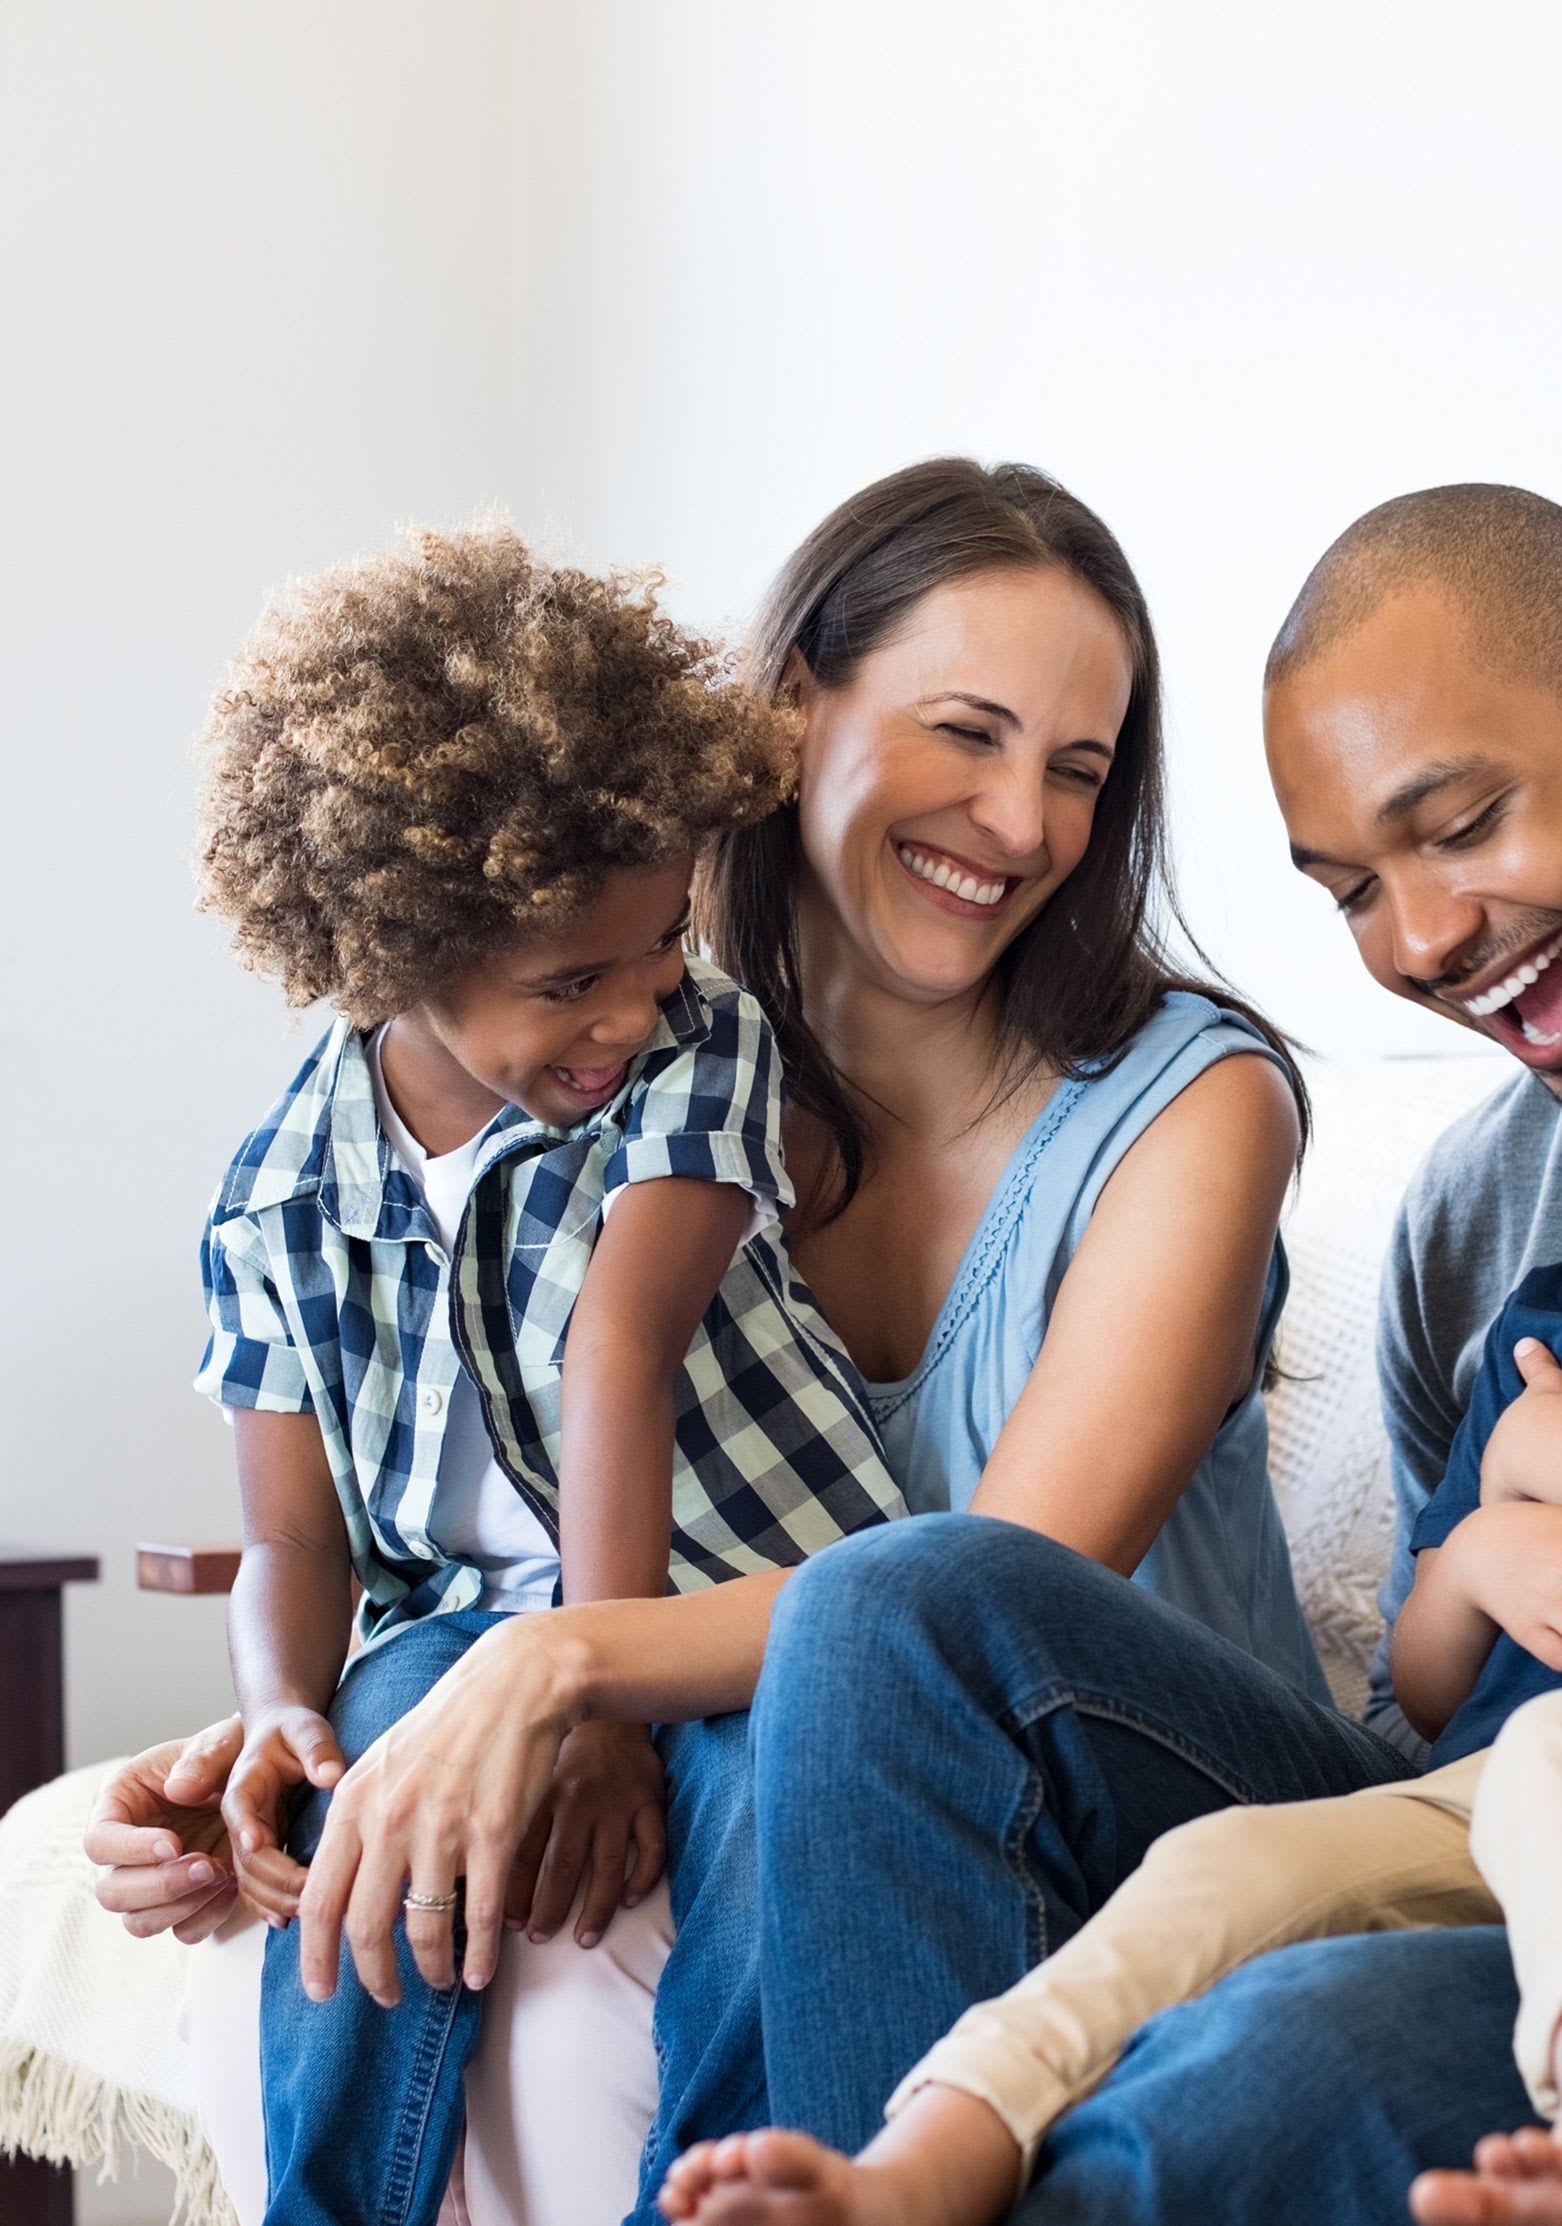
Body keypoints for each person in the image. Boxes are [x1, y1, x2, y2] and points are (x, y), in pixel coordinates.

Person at [610, 486, 1562, 2221]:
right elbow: (1436, 1690)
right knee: (888, 1605)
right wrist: (1488, 1535)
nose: (1415, 944)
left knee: (1270, 2062)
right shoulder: (1480, 1225)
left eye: (1460, 821)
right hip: (1507, 1815)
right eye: (1350, 890)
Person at [86, 460, 1388, 2221]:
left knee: (826, 1685)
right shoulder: (615, 1043)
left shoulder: (1190, 1108)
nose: (1019, 821)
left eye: (1077, 770)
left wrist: (564, 1662)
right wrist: (291, 1733)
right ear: (789, 712)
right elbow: (432, 1475)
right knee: (425, 1862)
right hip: (797, 1745)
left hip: (1112, 1792)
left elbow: (981, 1598)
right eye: (967, 733)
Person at [182, 522, 908, 2226]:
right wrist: (285, 1703)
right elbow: (295, 1538)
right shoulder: (278, 1195)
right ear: (388, 952)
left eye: (658, 943)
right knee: (375, 1780)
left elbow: (619, 1350)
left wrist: (597, 1693)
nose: (629, 1005)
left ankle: (723, 2198)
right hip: (456, 1630)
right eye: (569, 980)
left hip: (747, 1595)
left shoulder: (693, 1044)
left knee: (766, 1813)